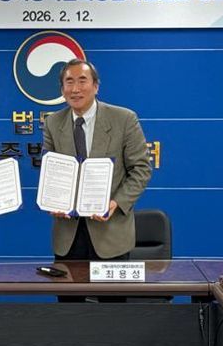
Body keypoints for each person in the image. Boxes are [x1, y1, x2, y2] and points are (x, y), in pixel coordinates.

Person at [43, 59, 152, 300]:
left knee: (112, 313)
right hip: (68, 235)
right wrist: (52, 201)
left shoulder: (124, 119)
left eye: (82, 81)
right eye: (69, 82)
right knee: (69, 311)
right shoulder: (53, 122)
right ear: (62, 89)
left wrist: (116, 203)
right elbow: (51, 171)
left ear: (96, 86)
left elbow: (141, 169)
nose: (75, 89)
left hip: (110, 233)